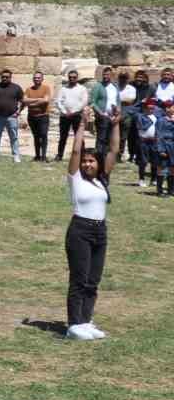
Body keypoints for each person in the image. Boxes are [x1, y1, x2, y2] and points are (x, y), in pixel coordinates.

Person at [64, 109, 119, 340]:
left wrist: (116, 124)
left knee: (93, 280)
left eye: (91, 160)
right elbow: (76, 149)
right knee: (79, 278)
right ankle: (74, 325)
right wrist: (82, 125)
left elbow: (114, 150)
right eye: (85, 161)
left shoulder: (101, 180)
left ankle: (86, 320)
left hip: (100, 231)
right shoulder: (75, 179)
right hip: (80, 230)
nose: (87, 164)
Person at [0, 69, 26, 163]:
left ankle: (16, 155)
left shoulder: (16, 88)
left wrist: (18, 112)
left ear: (10, 77)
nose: (4, 78)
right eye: (3, 77)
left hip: (11, 117)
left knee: (14, 137)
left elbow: (23, 101)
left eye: (7, 77)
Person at [54, 69, 89, 159]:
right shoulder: (63, 88)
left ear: (77, 78)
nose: (72, 79)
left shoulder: (82, 89)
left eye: (74, 77)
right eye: (70, 77)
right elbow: (58, 101)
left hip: (77, 115)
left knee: (79, 136)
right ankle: (59, 155)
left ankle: (82, 155)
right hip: (64, 116)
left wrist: (73, 111)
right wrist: (65, 112)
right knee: (63, 137)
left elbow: (84, 102)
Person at [88, 67, 119, 159]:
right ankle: (99, 156)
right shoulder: (98, 86)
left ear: (112, 76)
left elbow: (118, 100)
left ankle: (106, 156)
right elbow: (92, 102)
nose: (105, 76)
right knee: (101, 137)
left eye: (107, 75)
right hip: (102, 116)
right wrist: (100, 113)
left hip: (113, 116)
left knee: (110, 137)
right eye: (104, 75)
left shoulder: (115, 87)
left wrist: (118, 111)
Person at [23, 72, 53, 162]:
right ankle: (37, 156)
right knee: (36, 136)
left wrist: (31, 103)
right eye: (35, 78)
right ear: (33, 79)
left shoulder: (46, 88)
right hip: (32, 117)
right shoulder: (28, 89)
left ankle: (43, 156)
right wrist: (38, 99)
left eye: (39, 78)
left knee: (43, 135)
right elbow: (24, 100)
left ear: (42, 79)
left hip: (43, 116)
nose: (36, 79)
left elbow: (46, 101)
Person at [134, 98, 160, 192]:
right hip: (143, 141)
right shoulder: (140, 116)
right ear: (144, 108)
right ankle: (141, 179)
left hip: (154, 141)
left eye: (152, 108)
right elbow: (133, 110)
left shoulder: (157, 117)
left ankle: (153, 179)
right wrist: (141, 102)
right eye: (148, 108)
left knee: (155, 162)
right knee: (143, 161)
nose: (150, 110)